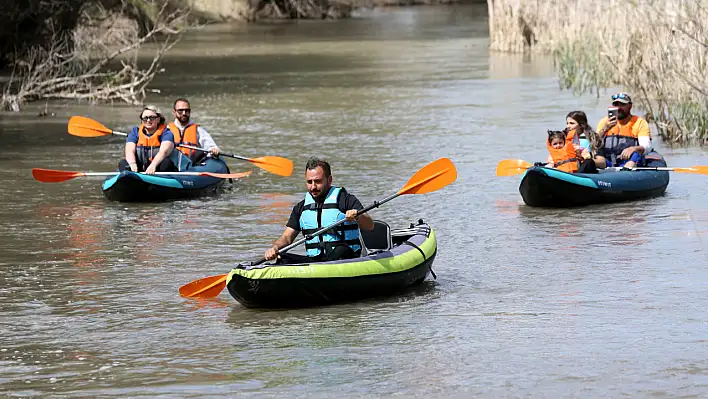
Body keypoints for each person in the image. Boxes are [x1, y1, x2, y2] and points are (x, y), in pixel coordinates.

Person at [264, 157, 375, 264]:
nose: (313, 187)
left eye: (318, 181)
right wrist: (275, 248)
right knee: (283, 258)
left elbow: (369, 225)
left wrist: (358, 215)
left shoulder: (345, 200)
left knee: (340, 250)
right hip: (316, 262)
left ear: (329, 180)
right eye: (309, 182)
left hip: (346, 259)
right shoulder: (301, 207)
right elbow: (287, 237)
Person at [596, 92, 652, 169]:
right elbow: (594, 144)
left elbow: (647, 146)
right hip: (608, 161)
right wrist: (605, 129)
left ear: (630, 106)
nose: (619, 108)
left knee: (635, 154)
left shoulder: (640, 122)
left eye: (622, 104)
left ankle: (626, 172)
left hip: (628, 160)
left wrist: (633, 148)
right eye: (616, 105)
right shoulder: (604, 122)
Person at [118, 105, 178, 174]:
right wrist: (132, 164)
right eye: (145, 118)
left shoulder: (167, 133)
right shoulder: (135, 133)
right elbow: (129, 151)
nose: (148, 120)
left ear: (158, 119)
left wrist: (153, 165)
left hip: (158, 168)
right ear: (142, 120)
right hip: (140, 167)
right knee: (123, 163)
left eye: (152, 118)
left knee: (166, 163)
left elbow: (163, 152)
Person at [167, 98, 221, 170]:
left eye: (187, 110)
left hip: (193, 166)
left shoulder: (198, 130)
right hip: (172, 166)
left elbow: (211, 146)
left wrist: (214, 150)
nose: (184, 113)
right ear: (174, 112)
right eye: (180, 111)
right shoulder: (167, 130)